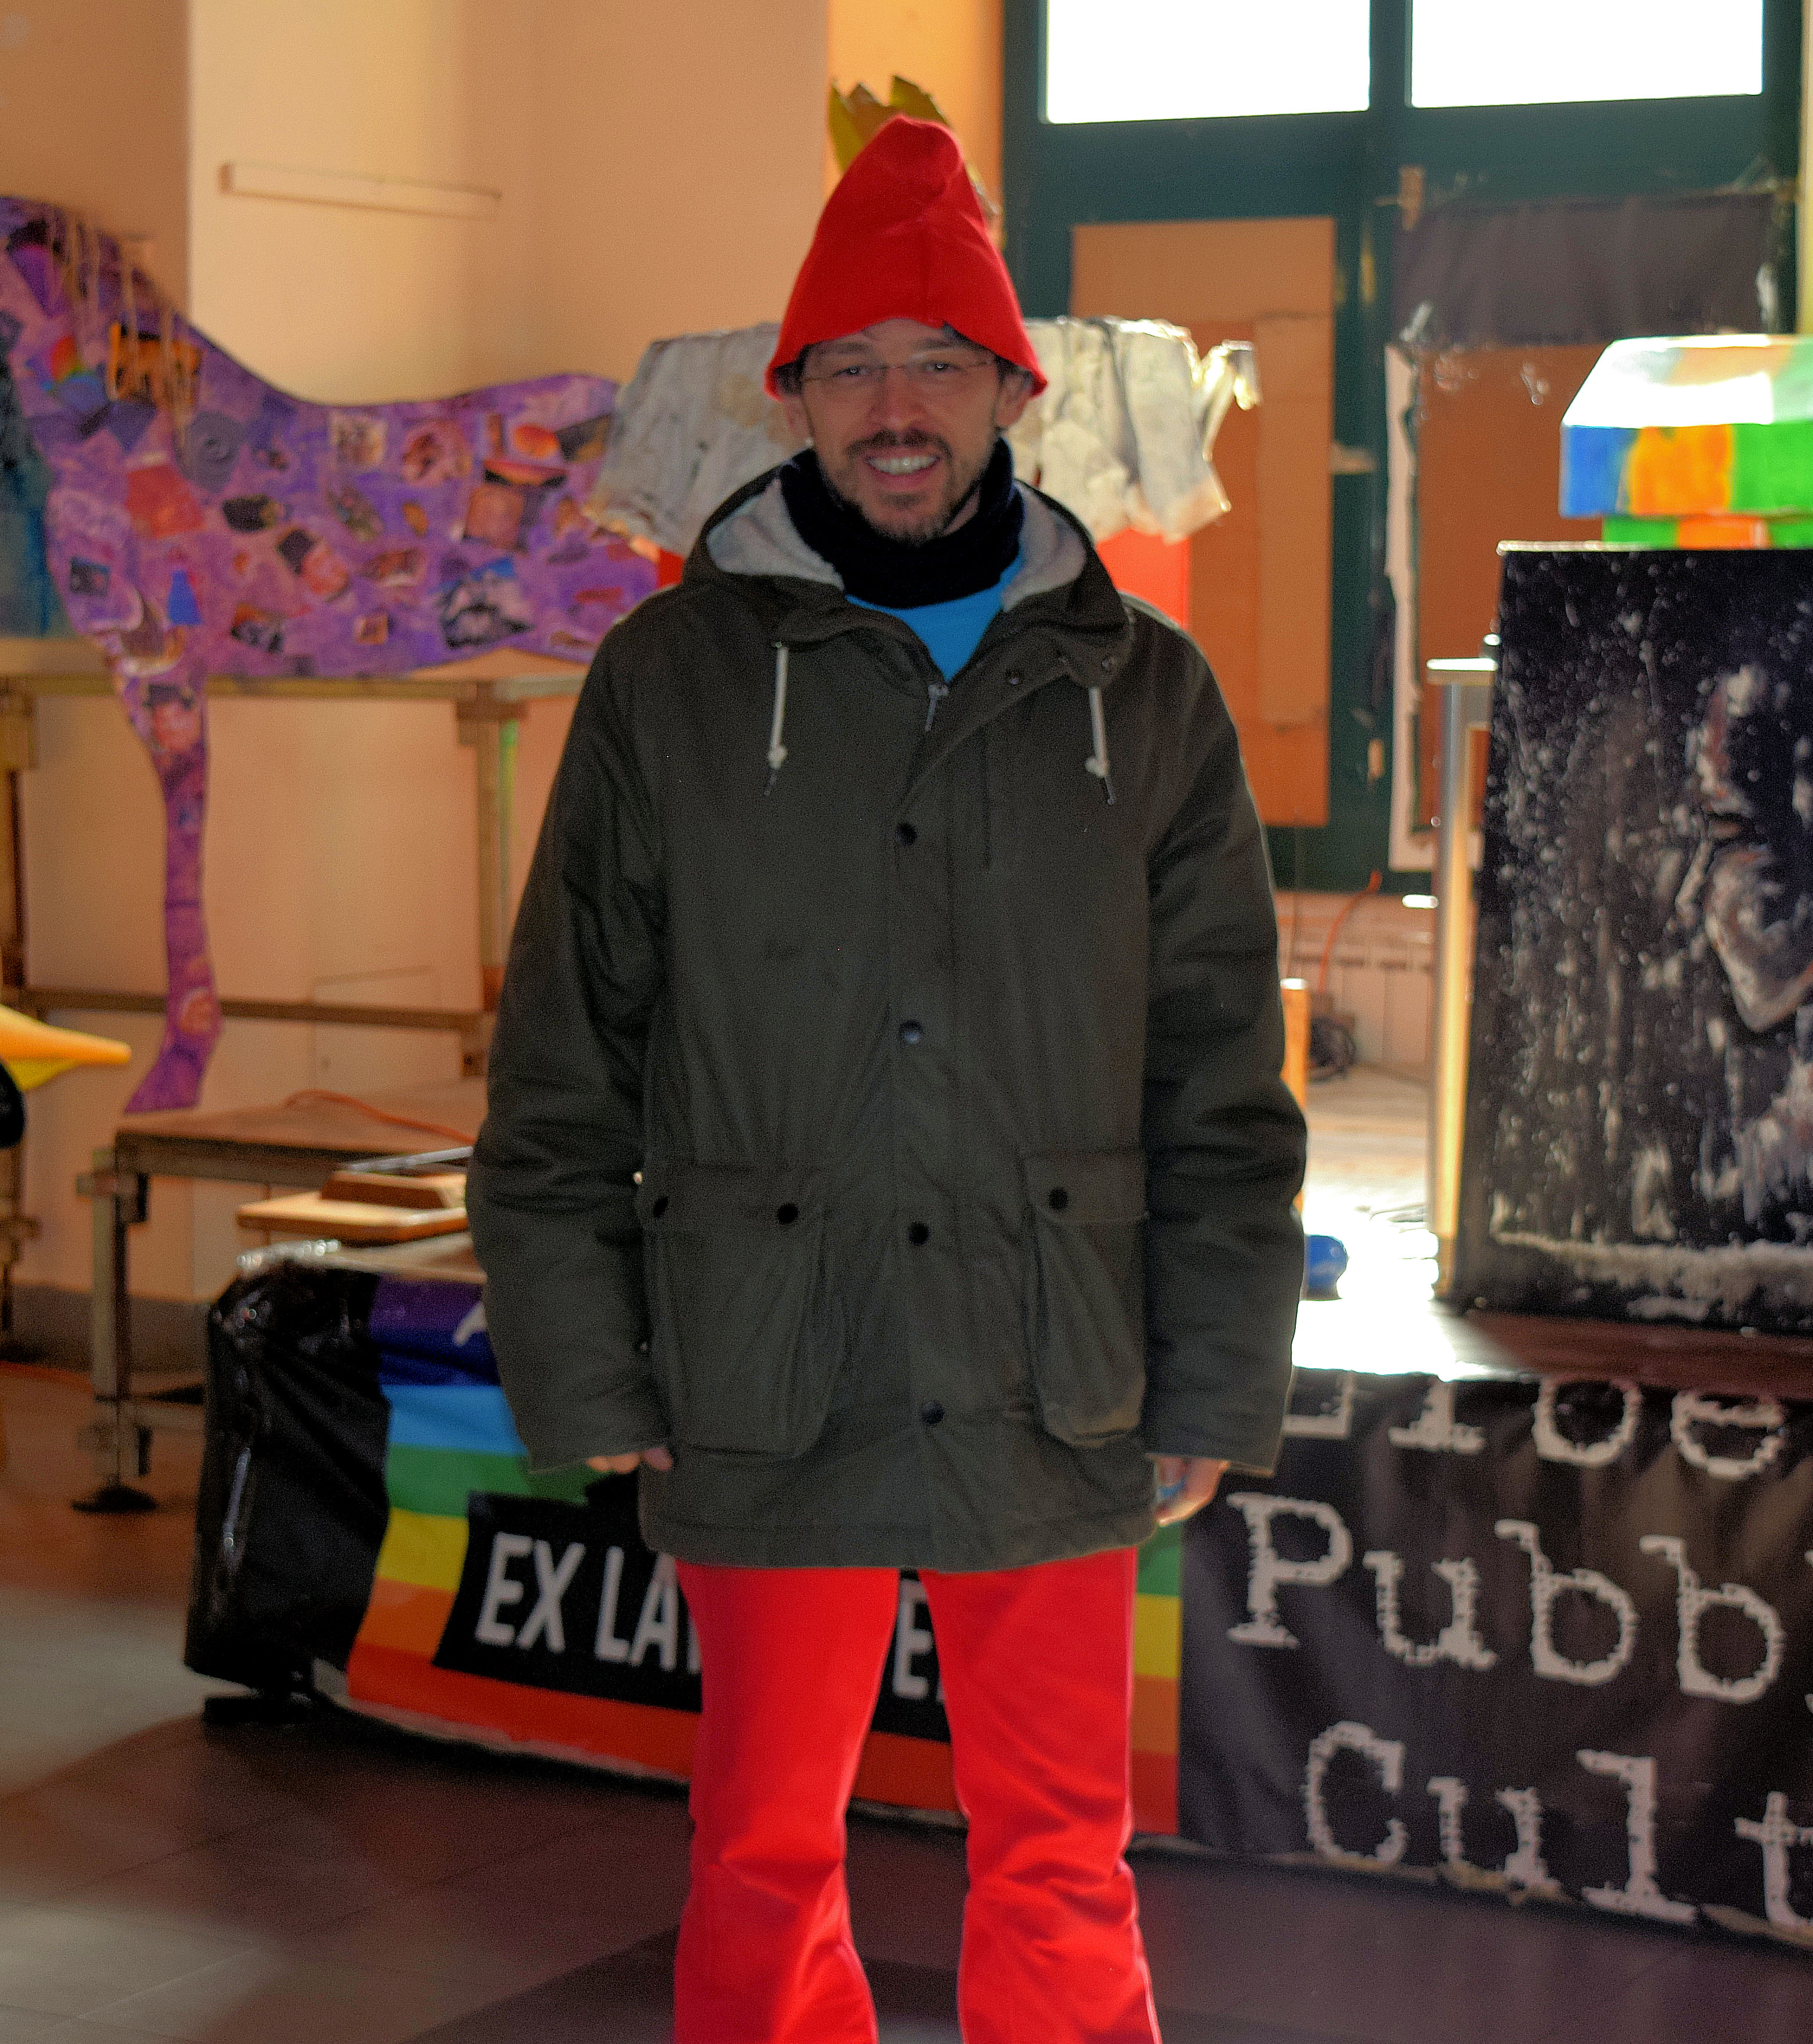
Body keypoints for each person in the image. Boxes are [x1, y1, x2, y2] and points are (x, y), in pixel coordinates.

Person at [467, 117, 1306, 2044]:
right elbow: (564, 1057)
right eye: (851, 368)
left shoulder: (1143, 694)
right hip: (767, 1355)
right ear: (793, 398)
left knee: (1063, 1848)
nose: (896, 408)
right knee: (763, 1847)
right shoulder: (670, 680)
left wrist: (1214, 1372)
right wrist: (591, 1364)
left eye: (937, 363)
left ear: (1014, 389)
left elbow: (1219, 1079)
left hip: (1057, 1348)